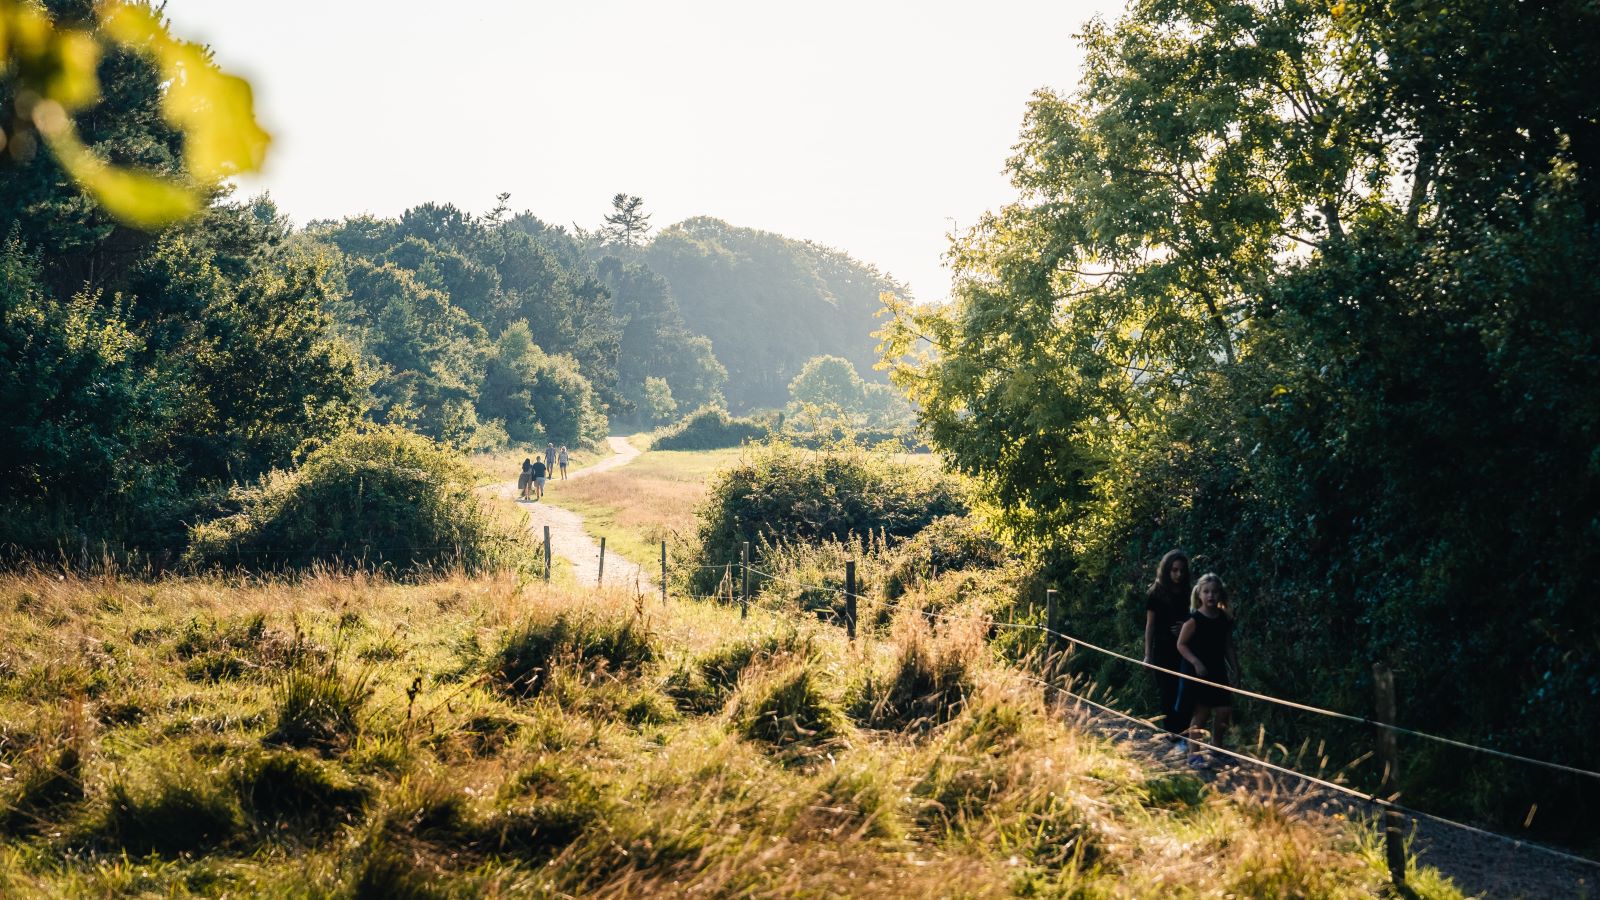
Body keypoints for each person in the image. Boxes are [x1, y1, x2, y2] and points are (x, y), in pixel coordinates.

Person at [1175, 573, 1239, 769]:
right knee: (1201, 713)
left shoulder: (1224, 619)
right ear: (1200, 595)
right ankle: (1193, 754)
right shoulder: (1194, 620)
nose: (1211, 595)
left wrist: (1236, 669)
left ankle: (1217, 748)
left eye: (1215, 591)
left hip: (1217, 669)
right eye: (1206, 592)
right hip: (1199, 671)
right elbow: (1181, 644)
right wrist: (1196, 662)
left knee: (1224, 710)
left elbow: (1228, 646)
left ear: (1220, 594)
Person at [1143, 549, 1193, 737]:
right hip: (1163, 648)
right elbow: (1150, 626)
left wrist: (1185, 628)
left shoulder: (1189, 592)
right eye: (1174, 570)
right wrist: (1148, 654)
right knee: (1166, 690)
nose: (1178, 574)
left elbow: (1196, 619)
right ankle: (1172, 730)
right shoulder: (1156, 593)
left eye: (1181, 570)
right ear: (1167, 570)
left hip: (1186, 648)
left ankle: (1184, 730)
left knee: (1185, 689)